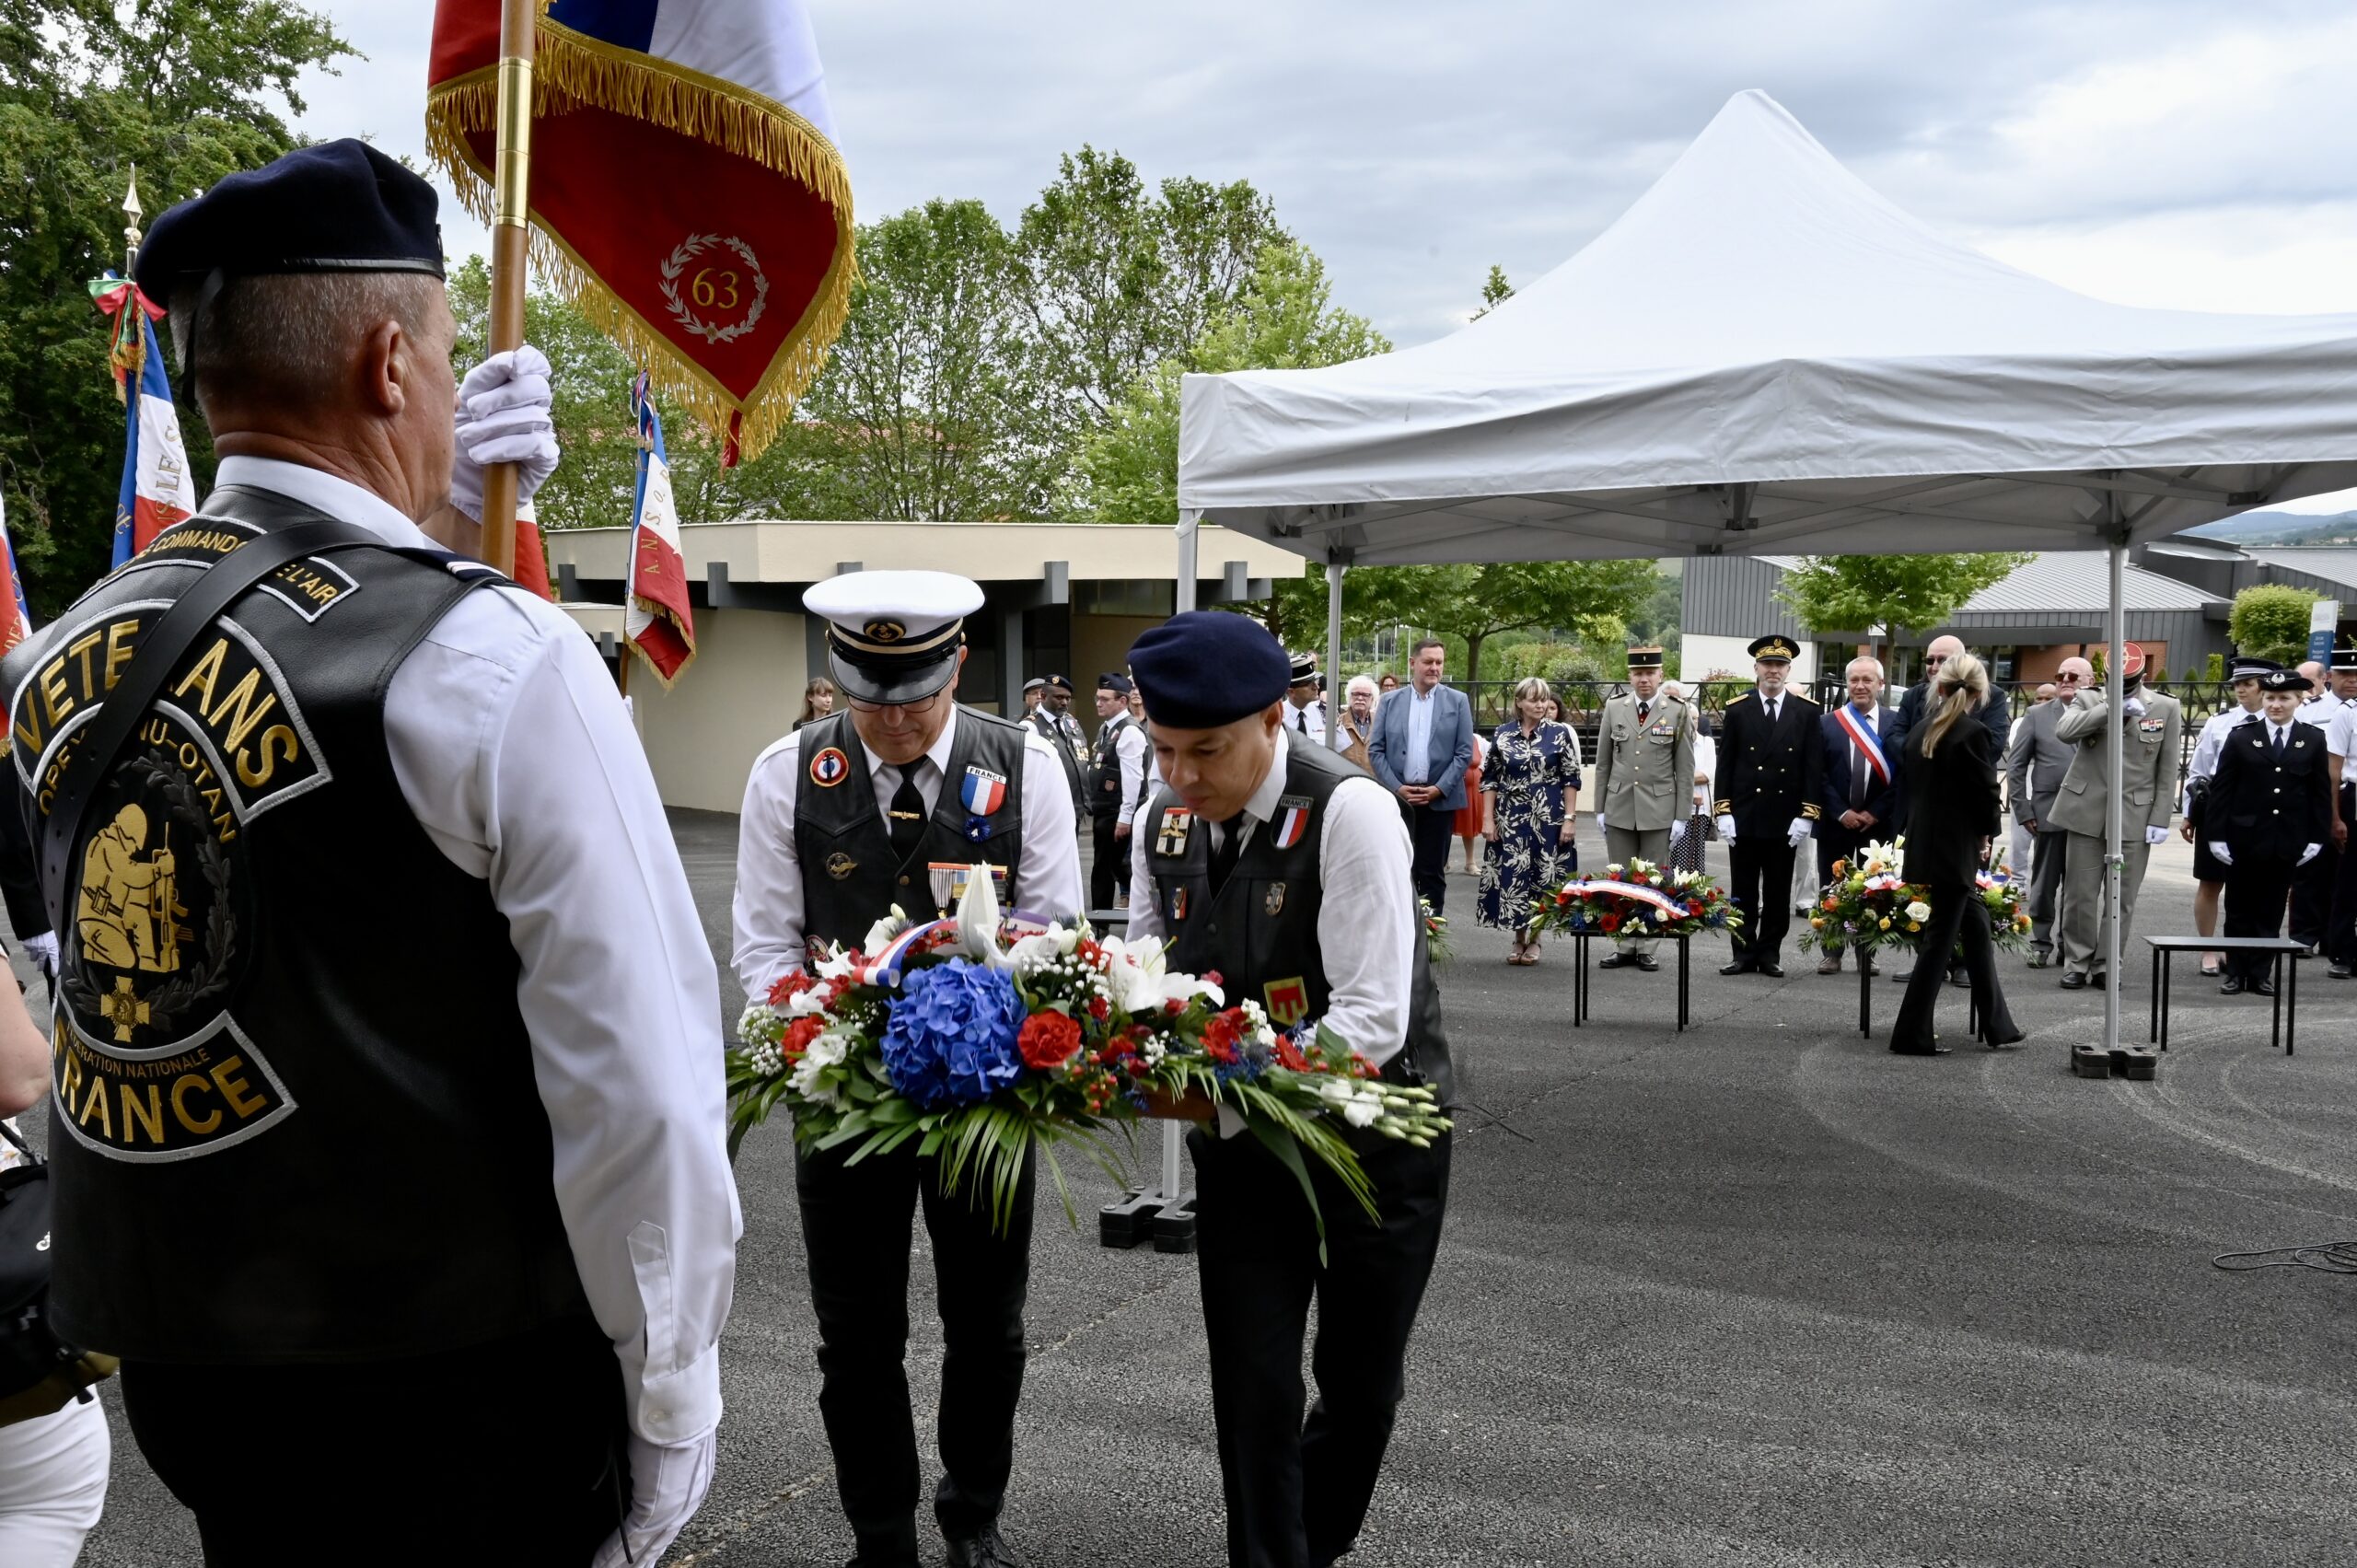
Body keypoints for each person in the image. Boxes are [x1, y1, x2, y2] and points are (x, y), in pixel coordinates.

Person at [4, 140, 737, 1563]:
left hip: (192, 1371)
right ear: (392, 367)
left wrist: (442, 524)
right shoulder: (492, 652)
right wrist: (671, 1394)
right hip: (454, 1391)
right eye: (453, 356)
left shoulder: (60, 657)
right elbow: (640, 1081)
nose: (463, 389)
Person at [731, 569, 1083, 1568]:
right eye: (866, 696)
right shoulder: (784, 770)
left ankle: (973, 1514)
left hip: (985, 1098)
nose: (889, 721)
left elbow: (1052, 934)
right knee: (855, 1332)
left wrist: (993, 1029)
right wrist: (819, 1037)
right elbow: (763, 949)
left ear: (958, 662)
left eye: (914, 698)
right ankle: (878, 1535)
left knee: (987, 1320)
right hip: (842, 1099)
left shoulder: (1027, 766)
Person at [1122, 611, 1454, 1568]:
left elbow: (1372, 1017)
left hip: (1376, 1136)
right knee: (1253, 1378)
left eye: (1206, 750)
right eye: (1164, 748)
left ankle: (1306, 1541)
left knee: (1359, 1386)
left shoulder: (1351, 809)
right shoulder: (1166, 816)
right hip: (1245, 1147)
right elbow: (1149, 969)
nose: (1183, 774)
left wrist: (1220, 1094)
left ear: (1275, 718)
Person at [1888, 656, 2024, 1053]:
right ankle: (1910, 1035)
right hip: (1955, 850)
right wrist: (1985, 837)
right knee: (1938, 944)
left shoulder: (1920, 731)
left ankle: (1999, 1026)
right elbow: (1986, 793)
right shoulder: (1972, 732)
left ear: (1940, 688)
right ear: (1980, 693)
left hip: (1926, 845)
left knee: (1976, 925)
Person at [2049, 643, 2182, 991]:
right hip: (2086, 809)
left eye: (2130, 680)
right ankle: (2077, 961)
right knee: (2080, 894)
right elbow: (2064, 732)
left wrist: (2160, 817)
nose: (2123, 685)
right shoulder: (2089, 699)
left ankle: (2108, 963)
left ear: (2142, 676)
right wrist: (2111, 707)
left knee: (2121, 896)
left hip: (2135, 813)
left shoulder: (2166, 707)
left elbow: (2167, 769)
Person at [2209, 668, 2334, 996]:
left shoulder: (2313, 738)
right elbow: (2223, 789)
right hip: (2244, 838)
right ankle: (2235, 972)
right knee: (2238, 909)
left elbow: (2320, 792)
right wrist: (2216, 835)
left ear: (2299, 700)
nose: (2276, 705)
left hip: (2286, 838)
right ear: (2262, 699)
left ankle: (2261, 972)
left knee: (2271, 908)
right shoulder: (2241, 736)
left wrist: (2317, 837)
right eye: (2270, 698)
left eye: (2284, 698)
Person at [1713, 636, 1824, 977]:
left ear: (1788, 669)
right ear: (1756, 669)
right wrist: (1724, 811)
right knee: (1743, 891)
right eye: (1767, 664)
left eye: (1780, 665)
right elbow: (1726, 764)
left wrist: (1807, 814)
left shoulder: (1806, 711)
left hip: (1784, 819)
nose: (1773, 671)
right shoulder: (1738, 708)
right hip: (1745, 816)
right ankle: (1743, 954)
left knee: (1777, 894)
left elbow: (1812, 766)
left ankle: (1770, 953)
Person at [1589, 646, 1695, 972]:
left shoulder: (1676, 710)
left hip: (1659, 808)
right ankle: (1623, 945)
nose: (1644, 679)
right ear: (1630, 676)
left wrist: (1682, 815)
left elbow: (1685, 767)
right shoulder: (1614, 707)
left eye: (1650, 673)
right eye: (1638, 674)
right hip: (1619, 804)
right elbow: (1603, 761)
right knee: (1621, 879)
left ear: (1660, 675)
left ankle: (1647, 945)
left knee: (1651, 881)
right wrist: (1599, 808)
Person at [1477, 678, 1582, 965]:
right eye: (1533, 699)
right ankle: (1518, 937)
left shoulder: (1559, 733)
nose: (1540, 704)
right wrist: (1488, 819)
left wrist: (1570, 819)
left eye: (1544, 699)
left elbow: (1571, 779)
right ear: (1519, 703)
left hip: (1549, 816)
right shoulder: (1503, 733)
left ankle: (1536, 938)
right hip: (1511, 816)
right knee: (1514, 875)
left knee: (1542, 876)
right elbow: (1489, 780)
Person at [1367, 639, 1476, 915]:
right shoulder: (1390, 701)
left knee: (1432, 872)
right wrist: (1396, 787)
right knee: (1398, 868)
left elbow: (1463, 753)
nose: (1435, 668)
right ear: (1412, 663)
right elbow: (1376, 749)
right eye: (1428, 662)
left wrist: (1439, 788)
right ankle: (1400, 931)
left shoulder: (1458, 701)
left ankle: (1429, 938)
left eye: (1439, 662)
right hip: (1399, 801)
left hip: (1439, 801)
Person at [2181, 656, 2270, 975]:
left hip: (2259, 814)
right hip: (2220, 810)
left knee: (2251, 887)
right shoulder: (2219, 722)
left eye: (2248, 684)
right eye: (2237, 684)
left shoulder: (2278, 721)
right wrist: (2190, 814)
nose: (2241, 690)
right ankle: (2208, 949)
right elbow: (2198, 771)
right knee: (2210, 882)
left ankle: (2243, 950)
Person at [1813, 656, 1900, 976]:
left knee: (1875, 890)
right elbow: (1817, 775)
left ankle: (1868, 952)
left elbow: (1903, 775)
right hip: (1837, 823)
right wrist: (1842, 812)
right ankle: (1832, 952)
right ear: (1847, 684)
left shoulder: (1896, 722)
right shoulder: (1827, 723)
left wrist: (1875, 813)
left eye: (1867, 680)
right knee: (1832, 888)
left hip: (1878, 824)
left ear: (1880, 684)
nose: (1860, 686)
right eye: (1854, 680)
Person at [2004, 659, 2087, 969]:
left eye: (2073, 676)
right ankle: (2040, 942)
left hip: (2089, 816)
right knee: (2043, 885)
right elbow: (2016, 766)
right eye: (2060, 675)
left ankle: (2072, 945)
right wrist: (2023, 808)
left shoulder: (2101, 714)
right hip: (2048, 812)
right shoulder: (2037, 715)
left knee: (2080, 889)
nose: (2065, 679)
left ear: (2090, 681)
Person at [2289, 644, 2352, 953]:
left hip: (2347, 794)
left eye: (2356, 675)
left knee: (2343, 872)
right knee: (2310, 867)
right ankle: (2303, 934)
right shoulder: (2308, 709)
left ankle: (2333, 939)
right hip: (2311, 793)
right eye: (2344, 674)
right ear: (2330, 676)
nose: (2351, 680)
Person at [1085, 673, 1149, 912]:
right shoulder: (1107, 727)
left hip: (1116, 811)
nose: (1099, 703)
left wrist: (1125, 817)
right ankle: (1101, 922)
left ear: (1122, 701)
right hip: (1105, 810)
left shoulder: (1129, 731)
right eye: (1097, 698)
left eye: (1105, 699)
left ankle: (1146, 907)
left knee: (1118, 866)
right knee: (1106, 866)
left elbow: (1133, 778)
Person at [2325, 638, 2357, 980]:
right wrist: (2334, 817)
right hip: (2354, 797)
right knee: (2349, 881)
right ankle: (2344, 953)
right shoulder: (2347, 714)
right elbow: (2333, 770)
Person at [1023, 675, 1089, 823]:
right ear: (1044, 696)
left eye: (1068, 698)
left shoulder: (1071, 722)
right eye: (1059, 698)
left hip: (1075, 807)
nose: (1065, 702)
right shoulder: (1030, 727)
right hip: (1048, 810)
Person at [1454, 730, 1487, 873]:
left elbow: (1486, 758)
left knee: (1469, 823)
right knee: (1447, 823)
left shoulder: (1477, 739)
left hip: (1472, 789)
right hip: (1452, 786)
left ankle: (1470, 861)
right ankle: (1443, 861)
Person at [1336, 675, 1378, 771]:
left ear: (1372, 699)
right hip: (1347, 780)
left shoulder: (1380, 723)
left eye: (1365, 695)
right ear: (1349, 697)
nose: (1360, 698)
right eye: (1356, 694)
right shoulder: (1338, 723)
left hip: (1374, 782)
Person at [1285, 654, 1329, 743]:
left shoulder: (1326, 712)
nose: (1316, 687)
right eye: (1309, 684)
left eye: (1315, 681)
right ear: (1292, 692)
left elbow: (1344, 750)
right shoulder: (1275, 717)